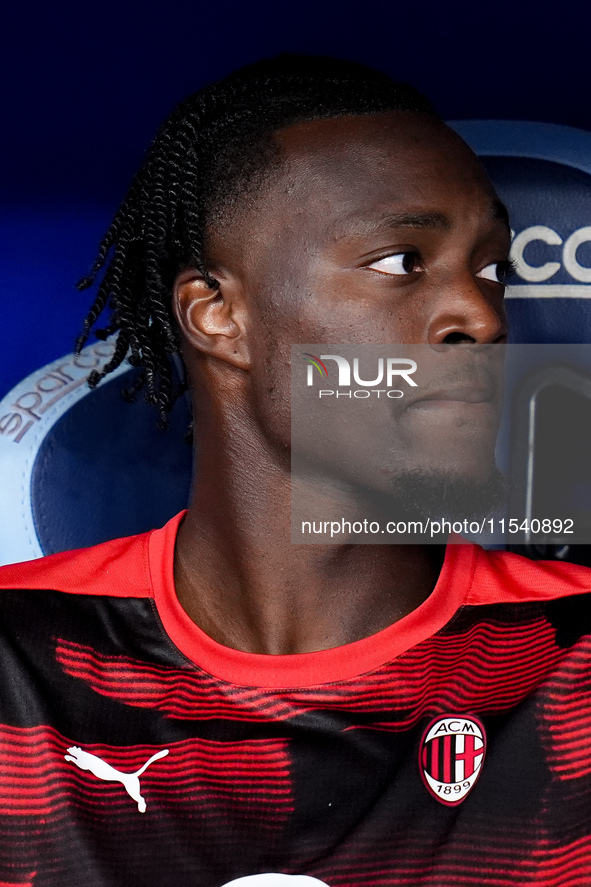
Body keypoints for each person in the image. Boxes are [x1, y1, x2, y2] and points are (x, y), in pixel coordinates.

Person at [0, 54, 590, 887]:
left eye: (490, 268)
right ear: (218, 315)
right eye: (401, 263)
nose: (480, 316)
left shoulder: (570, 665)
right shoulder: (22, 664)